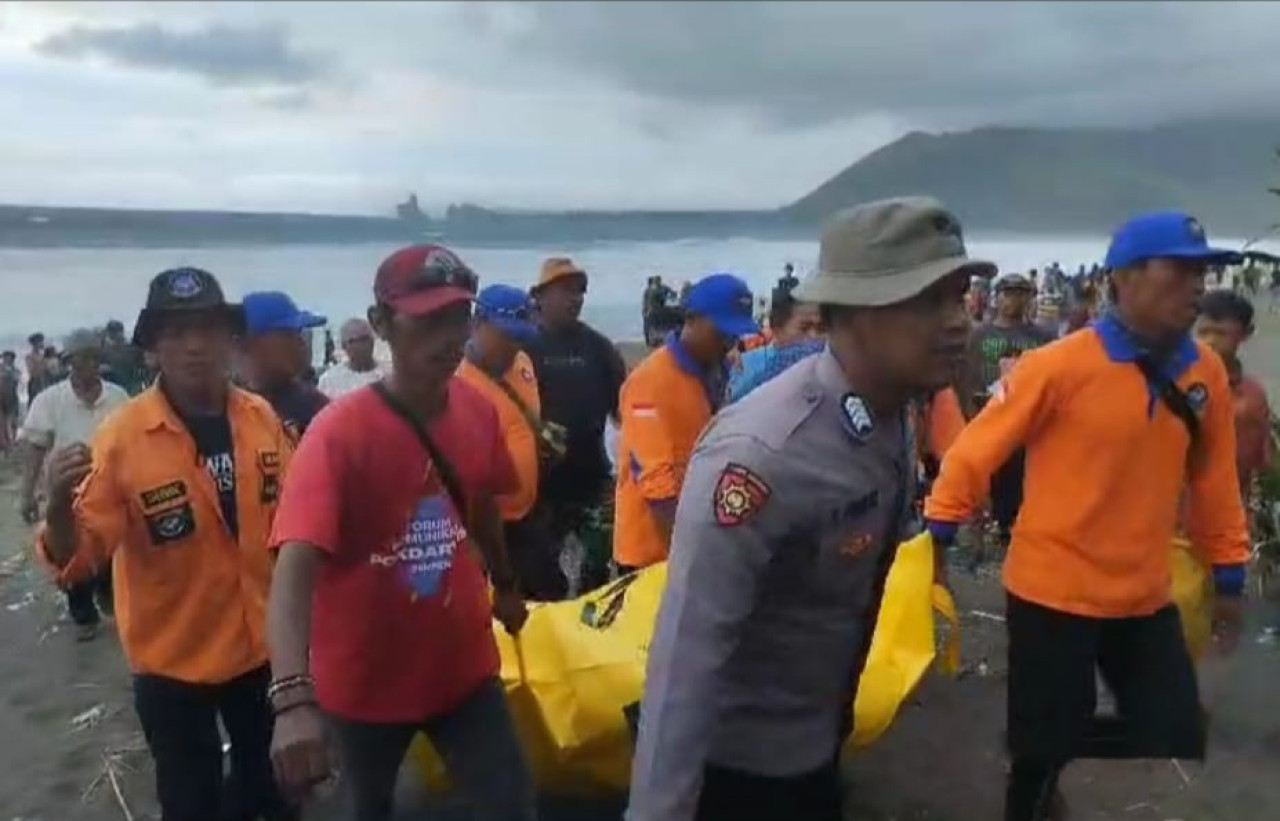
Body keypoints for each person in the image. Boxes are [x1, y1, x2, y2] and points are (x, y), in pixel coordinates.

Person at [627, 197, 978, 821]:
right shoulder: (761, 456)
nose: (960, 323)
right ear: (853, 313)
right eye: (930, 301)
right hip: (736, 774)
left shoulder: (894, 415)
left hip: (817, 744)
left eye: (960, 297)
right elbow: (685, 662)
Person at [925, 211, 1250, 821]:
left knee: (1175, 730)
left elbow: (1214, 478)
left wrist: (1228, 571)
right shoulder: (1058, 366)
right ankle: (1036, 768)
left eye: (1203, 271)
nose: (1197, 285)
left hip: (1142, 593)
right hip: (1053, 589)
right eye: (1180, 270)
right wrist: (939, 532)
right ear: (1123, 278)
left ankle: (1037, 736)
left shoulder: (1203, 371)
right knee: (1037, 770)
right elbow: (977, 447)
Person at [265, 244, 533, 821]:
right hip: (361, 687)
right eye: (427, 319)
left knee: (511, 807)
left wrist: (507, 582)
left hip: (463, 670)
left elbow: (483, 499)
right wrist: (291, 699)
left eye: (458, 317)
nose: (448, 336)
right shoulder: (338, 434)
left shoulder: (477, 411)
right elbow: (293, 567)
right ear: (383, 322)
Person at [34, 267, 294, 821]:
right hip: (174, 666)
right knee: (189, 803)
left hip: (262, 651)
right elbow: (79, 555)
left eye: (206, 328)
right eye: (176, 333)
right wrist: (57, 507)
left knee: (275, 794)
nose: (195, 345)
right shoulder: (123, 439)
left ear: (229, 338)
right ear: (152, 349)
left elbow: (294, 522)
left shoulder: (261, 418)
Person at [614, 273, 758, 574]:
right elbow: (656, 485)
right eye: (721, 332)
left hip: (701, 531)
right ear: (691, 319)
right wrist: (684, 563)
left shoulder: (720, 369)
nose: (729, 342)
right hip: (652, 552)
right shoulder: (650, 382)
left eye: (735, 334)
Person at [457, 284, 569, 600]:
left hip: (530, 514)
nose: (513, 345)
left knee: (551, 596)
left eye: (521, 337)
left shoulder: (522, 363)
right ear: (476, 324)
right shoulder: (456, 382)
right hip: (486, 528)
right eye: (505, 335)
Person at [20, 328, 129, 639]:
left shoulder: (118, 397)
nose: (87, 365)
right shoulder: (49, 401)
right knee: (72, 561)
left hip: (110, 493)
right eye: (80, 359)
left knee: (113, 555)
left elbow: (134, 442)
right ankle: (84, 616)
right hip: (66, 498)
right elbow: (34, 448)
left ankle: (108, 595)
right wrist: (27, 494)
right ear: (68, 362)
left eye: (93, 358)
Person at [526, 256, 627, 592]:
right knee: (541, 579)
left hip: (592, 479)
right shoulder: (521, 349)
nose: (576, 298)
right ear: (538, 296)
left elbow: (625, 415)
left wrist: (624, 475)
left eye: (580, 291)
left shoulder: (598, 348)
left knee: (596, 573)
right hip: (540, 488)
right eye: (566, 290)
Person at [963, 272, 1056, 543]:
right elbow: (965, 374)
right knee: (990, 472)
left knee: (1024, 474)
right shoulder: (979, 335)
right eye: (1009, 293)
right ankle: (990, 523)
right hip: (988, 413)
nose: (1014, 300)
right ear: (997, 297)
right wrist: (969, 410)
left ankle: (1017, 524)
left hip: (1029, 419)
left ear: (1029, 298)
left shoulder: (1043, 337)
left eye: (1021, 293)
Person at [1194, 289, 1272, 500]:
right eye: (1203, 332)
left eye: (1220, 333)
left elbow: (1262, 461)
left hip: (1233, 506)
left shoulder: (1253, 395)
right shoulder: (1178, 385)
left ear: (1246, 333)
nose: (1209, 341)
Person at [240, 291, 330, 440]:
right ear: (254, 342)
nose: (301, 343)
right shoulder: (224, 409)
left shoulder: (313, 406)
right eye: (289, 334)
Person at [729, 285, 823, 402]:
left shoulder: (826, 368)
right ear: (776, 328)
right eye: (804, 328)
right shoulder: (743, 366)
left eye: (821, 329)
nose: (814, 336)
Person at [317, 318, 387, 398]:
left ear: (372, 341)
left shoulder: (388, 376)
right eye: (353, 341)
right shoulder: (329, 380)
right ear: (344, 346)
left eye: (364, 339)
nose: (360, 346)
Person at [100, 318, 150, 396]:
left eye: (117, 332)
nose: (116, 335)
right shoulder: (103, 353)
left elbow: (145, 368)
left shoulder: (133, 350)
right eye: (113, 332)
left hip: (132, 389)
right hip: (114, 392)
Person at [0, 350, 19, 452]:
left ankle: (12, 441)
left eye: (9, 358)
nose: (6, 359)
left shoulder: (15, 370)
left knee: (13, 421)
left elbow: (17, 380)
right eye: (5, 357)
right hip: (1, 398)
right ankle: (4, 443)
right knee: (2, 422)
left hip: (12, 397)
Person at [25, 333, 49, 399]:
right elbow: (33, 372)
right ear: (34, 344)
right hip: (36, 384)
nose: (40, 344)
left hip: (46, 382)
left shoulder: (45, 356)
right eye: (38, 342)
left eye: (41, 342)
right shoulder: (29, 357)